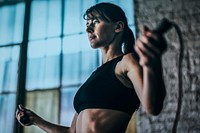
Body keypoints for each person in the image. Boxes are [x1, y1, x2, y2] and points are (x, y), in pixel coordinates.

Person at [16, 2, 166, 133]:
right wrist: (35, 120)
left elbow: (152, 106)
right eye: (88, 24)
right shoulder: (94, 78)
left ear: (118, 27)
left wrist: (151, 62)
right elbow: (71, 132)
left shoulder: (127, 61)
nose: (89, 29)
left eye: (95, 22)